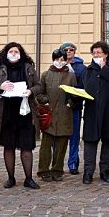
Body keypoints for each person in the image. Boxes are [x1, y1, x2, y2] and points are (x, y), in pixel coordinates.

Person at [0, 42, 42, 189]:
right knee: (9, 146)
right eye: (10, 51)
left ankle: (29, 179)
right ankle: (11, 178)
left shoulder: (28, 67)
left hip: (25, 112)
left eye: (16, 51)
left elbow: (39, 85)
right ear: (6, 53)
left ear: (21, 53)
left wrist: (31, 91)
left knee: (27, 147)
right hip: (6, 112)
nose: (13, 53)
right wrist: (1, 86)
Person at [81, 41, 109, 184]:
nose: (96, 56)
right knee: (90, 142)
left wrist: (104, 68)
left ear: (106, 54)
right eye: (94, 53)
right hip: (92, 111)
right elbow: (83, 87)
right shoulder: (88, 71)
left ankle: (105, 170)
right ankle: (88, 172)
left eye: (99, 53)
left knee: (108, 140)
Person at [36, 49, 77, 182]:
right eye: (57, 59)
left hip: (65, 113)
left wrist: (71, 102)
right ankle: (43, 170)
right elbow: (39, 94)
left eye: (62, 59)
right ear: (53, 59)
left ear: (65, 60)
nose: (59, 62)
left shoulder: (71, 76)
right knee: (46, 145)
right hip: (49, 113)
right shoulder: (46, 75)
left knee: (62, 144)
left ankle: (57, 170)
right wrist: (45, 101)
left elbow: (75, 94)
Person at [59, 42, 86, 175]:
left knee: (74, 136)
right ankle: (57, 163)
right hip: (59, 106)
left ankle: (73, 163)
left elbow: (83, 86)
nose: (69, 52)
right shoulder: (57, 65)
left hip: (75, 105)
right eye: (66, 50)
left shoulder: (81, 68)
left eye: (71, 50)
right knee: (58, 137)